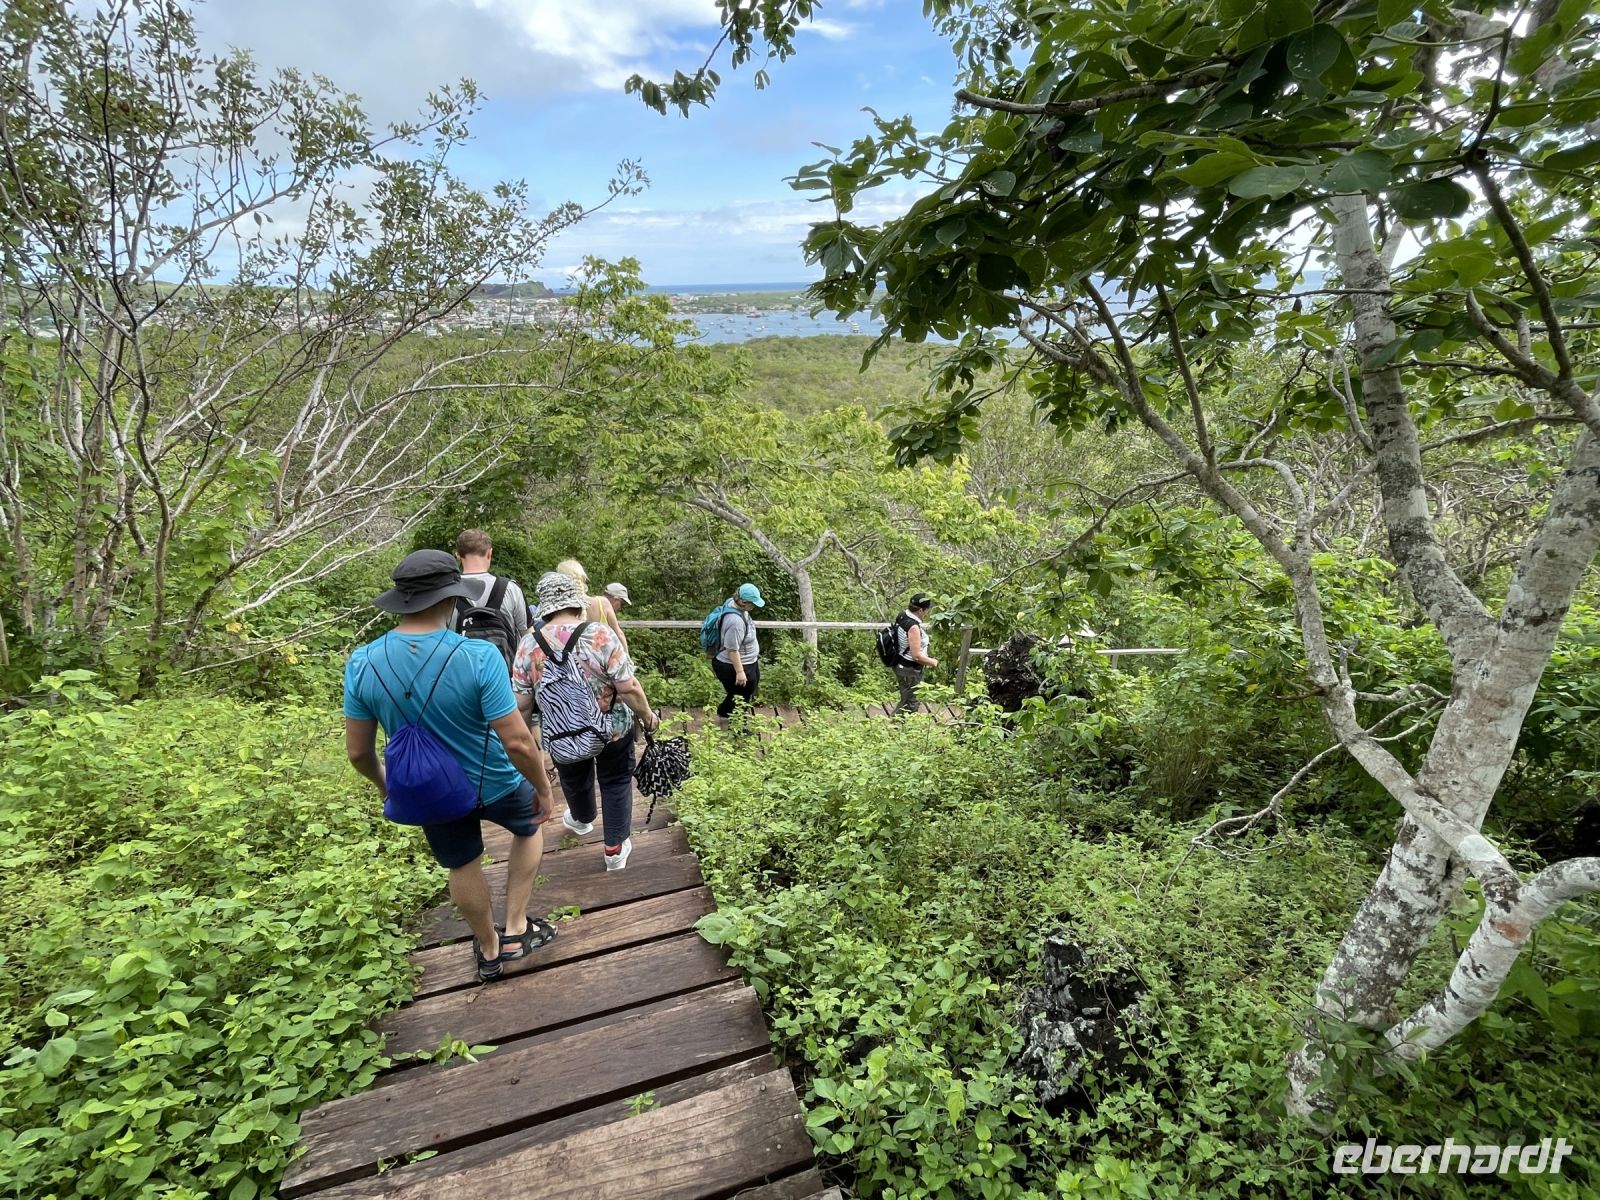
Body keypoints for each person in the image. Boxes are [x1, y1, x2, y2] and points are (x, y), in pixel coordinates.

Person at [343, 550, 558, 983]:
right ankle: (516, 927)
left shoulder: (363, 662)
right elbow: (516, 740)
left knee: (462, 864)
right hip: (494, 781)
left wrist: (387, 787)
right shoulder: (478, 656)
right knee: (529, 828)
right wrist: (543, 787)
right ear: (451, 599)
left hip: (430, 791)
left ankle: (489, 948)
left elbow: (358, 753)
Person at [513, 571, 659, 871]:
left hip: (561, 732)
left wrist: (532, 743)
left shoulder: (528, 644)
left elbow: (522, 704)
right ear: (577, 604)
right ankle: (614, 848)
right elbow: (628, 686)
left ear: (546, 608)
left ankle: (582, 818)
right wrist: (646, 715)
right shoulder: (599, 635)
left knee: (573, 777)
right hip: (612, 730)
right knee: (616, 779)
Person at [453, 528, 530, 648]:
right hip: (503, 665)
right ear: (489, 553)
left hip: (460, 664)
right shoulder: (510, 589)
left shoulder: (448, 592)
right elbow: (527, 635)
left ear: (458, 555)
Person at [713, 583, 764, 721]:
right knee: (741, 696)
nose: (754, 606)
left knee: (743, 692)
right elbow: (732, 649)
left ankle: (724, 711)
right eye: (752, 603)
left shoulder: (733, 603)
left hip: (748, 661)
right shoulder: (735, 622)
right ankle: (739, 727)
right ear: (742, 601)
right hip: (733, 664)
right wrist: (740, 672)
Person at [555, 558, 628, 650]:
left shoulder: (558, 608)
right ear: (583, 578)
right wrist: (627, 658)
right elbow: (619, 634)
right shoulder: (602, 603)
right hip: (601, 661)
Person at [889, 593, 938, 715]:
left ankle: (896, 726)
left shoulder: (902, 615)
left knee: (906, 698)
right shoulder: (913, 627)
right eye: (927, 609)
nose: (927, 612)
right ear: (921, 610)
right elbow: (916, 656)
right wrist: (933, 662)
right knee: (910, 703)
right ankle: (894, 726)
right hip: (909, 669)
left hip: (899, 662)